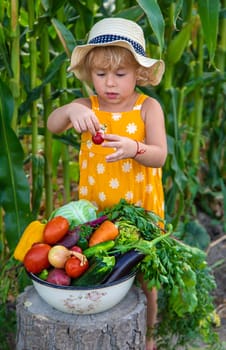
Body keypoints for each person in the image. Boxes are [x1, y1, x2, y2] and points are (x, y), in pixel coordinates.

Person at [47, 17, 167, 350]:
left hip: (139, 209)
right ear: (90, 75)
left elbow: (159, 156)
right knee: (100, 264)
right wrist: (71, 109)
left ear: (139, 73)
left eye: (120, 74)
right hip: (98, 213)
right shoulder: (89, 108)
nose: (109, 84)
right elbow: (52, 124)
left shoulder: (148, 108)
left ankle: (150, 333)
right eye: (101, 75)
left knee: (145, 273)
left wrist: (135, 149)